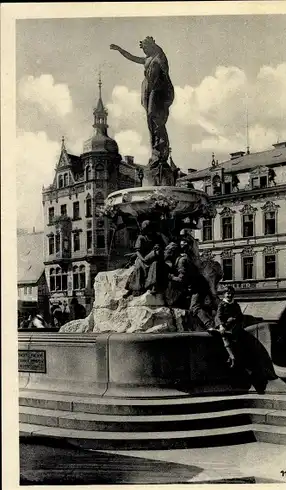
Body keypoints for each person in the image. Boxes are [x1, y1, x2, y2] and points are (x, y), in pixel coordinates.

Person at [110, 37, 175, 184]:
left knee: (154, 115)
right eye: (143, 49)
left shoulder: (159, 57)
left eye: (145, 48)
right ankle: (156, 148)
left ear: (151, 47)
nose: (144, 50)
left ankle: (161, 147)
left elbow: (162, 59)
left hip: (158, 90)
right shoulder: (147, 60)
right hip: (149, 89)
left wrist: (152, 43)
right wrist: (120, 50)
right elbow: (132, 58)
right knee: (150, 119)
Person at [214, 286, 270, 393]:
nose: (229, 295)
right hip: (226, 327)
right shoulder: (222, 304)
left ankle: (236, 359)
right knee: (225, 338)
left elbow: (240, 316)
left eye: (231, 293)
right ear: (224, 295)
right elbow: (218, 316)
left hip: (236, 327)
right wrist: (221, 325)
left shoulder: (236, 305)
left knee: (240, 342)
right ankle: (232, 356)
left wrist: (235, 319)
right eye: (227, 293)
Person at [124, 220, 166, 297]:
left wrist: (158, 248)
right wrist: (143, 259)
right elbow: (137, 251)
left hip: (153, 258)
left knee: (155, 265)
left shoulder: (157, 237)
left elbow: (163, 247)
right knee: (138, 267)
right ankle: (135, 288)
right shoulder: (141, 238)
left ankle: (153, 286)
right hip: (143, 258)